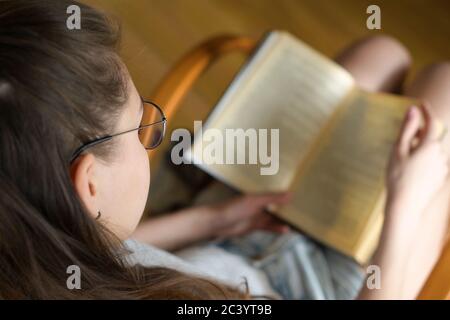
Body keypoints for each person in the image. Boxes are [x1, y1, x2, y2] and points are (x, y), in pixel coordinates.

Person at [0, 0, 449, 299]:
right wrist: (406, 203)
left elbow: (104, 250)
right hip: (326, 286)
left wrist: (216, 219)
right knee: (443, 91)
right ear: (90, 185)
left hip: (224, 235)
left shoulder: (30, 247)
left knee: (380, 53)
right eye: (141, 128)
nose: (153, 133)